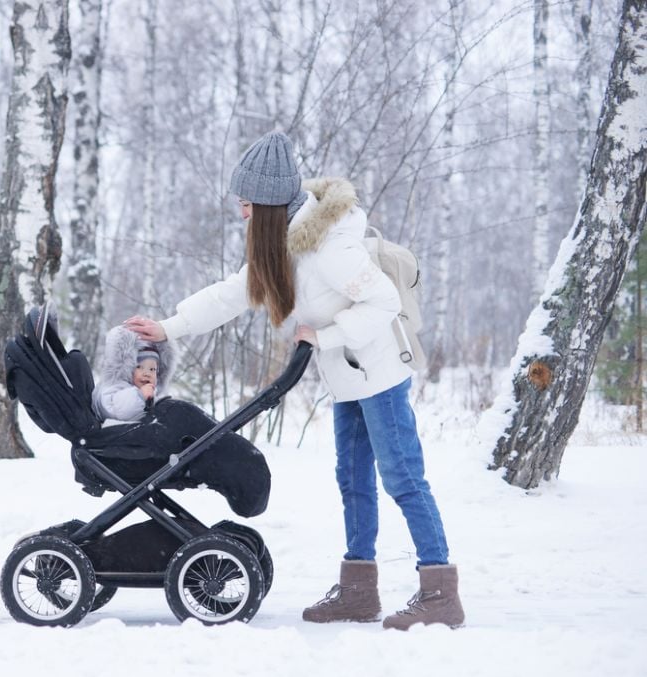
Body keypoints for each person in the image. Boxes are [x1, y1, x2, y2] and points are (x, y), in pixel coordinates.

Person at [124, 130, 464, 630]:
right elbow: (232, 293)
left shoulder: (328, 247)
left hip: (378, 371)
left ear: (267, 202)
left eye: (245, 204)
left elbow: (384, 302)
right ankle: (358, 591)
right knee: (352, 480)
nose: (241, 213)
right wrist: (168, 328)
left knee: (403, 478)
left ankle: (439, 593)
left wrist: (323, 337)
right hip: (348, 376)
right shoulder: (283, 241)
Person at [92, 325, 173, 421]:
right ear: (127, 368)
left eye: (152, 369)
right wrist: (140, 396)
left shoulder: (154, 392)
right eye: (139, 367)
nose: (147, 373)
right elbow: (117, 410)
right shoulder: (114, 387)